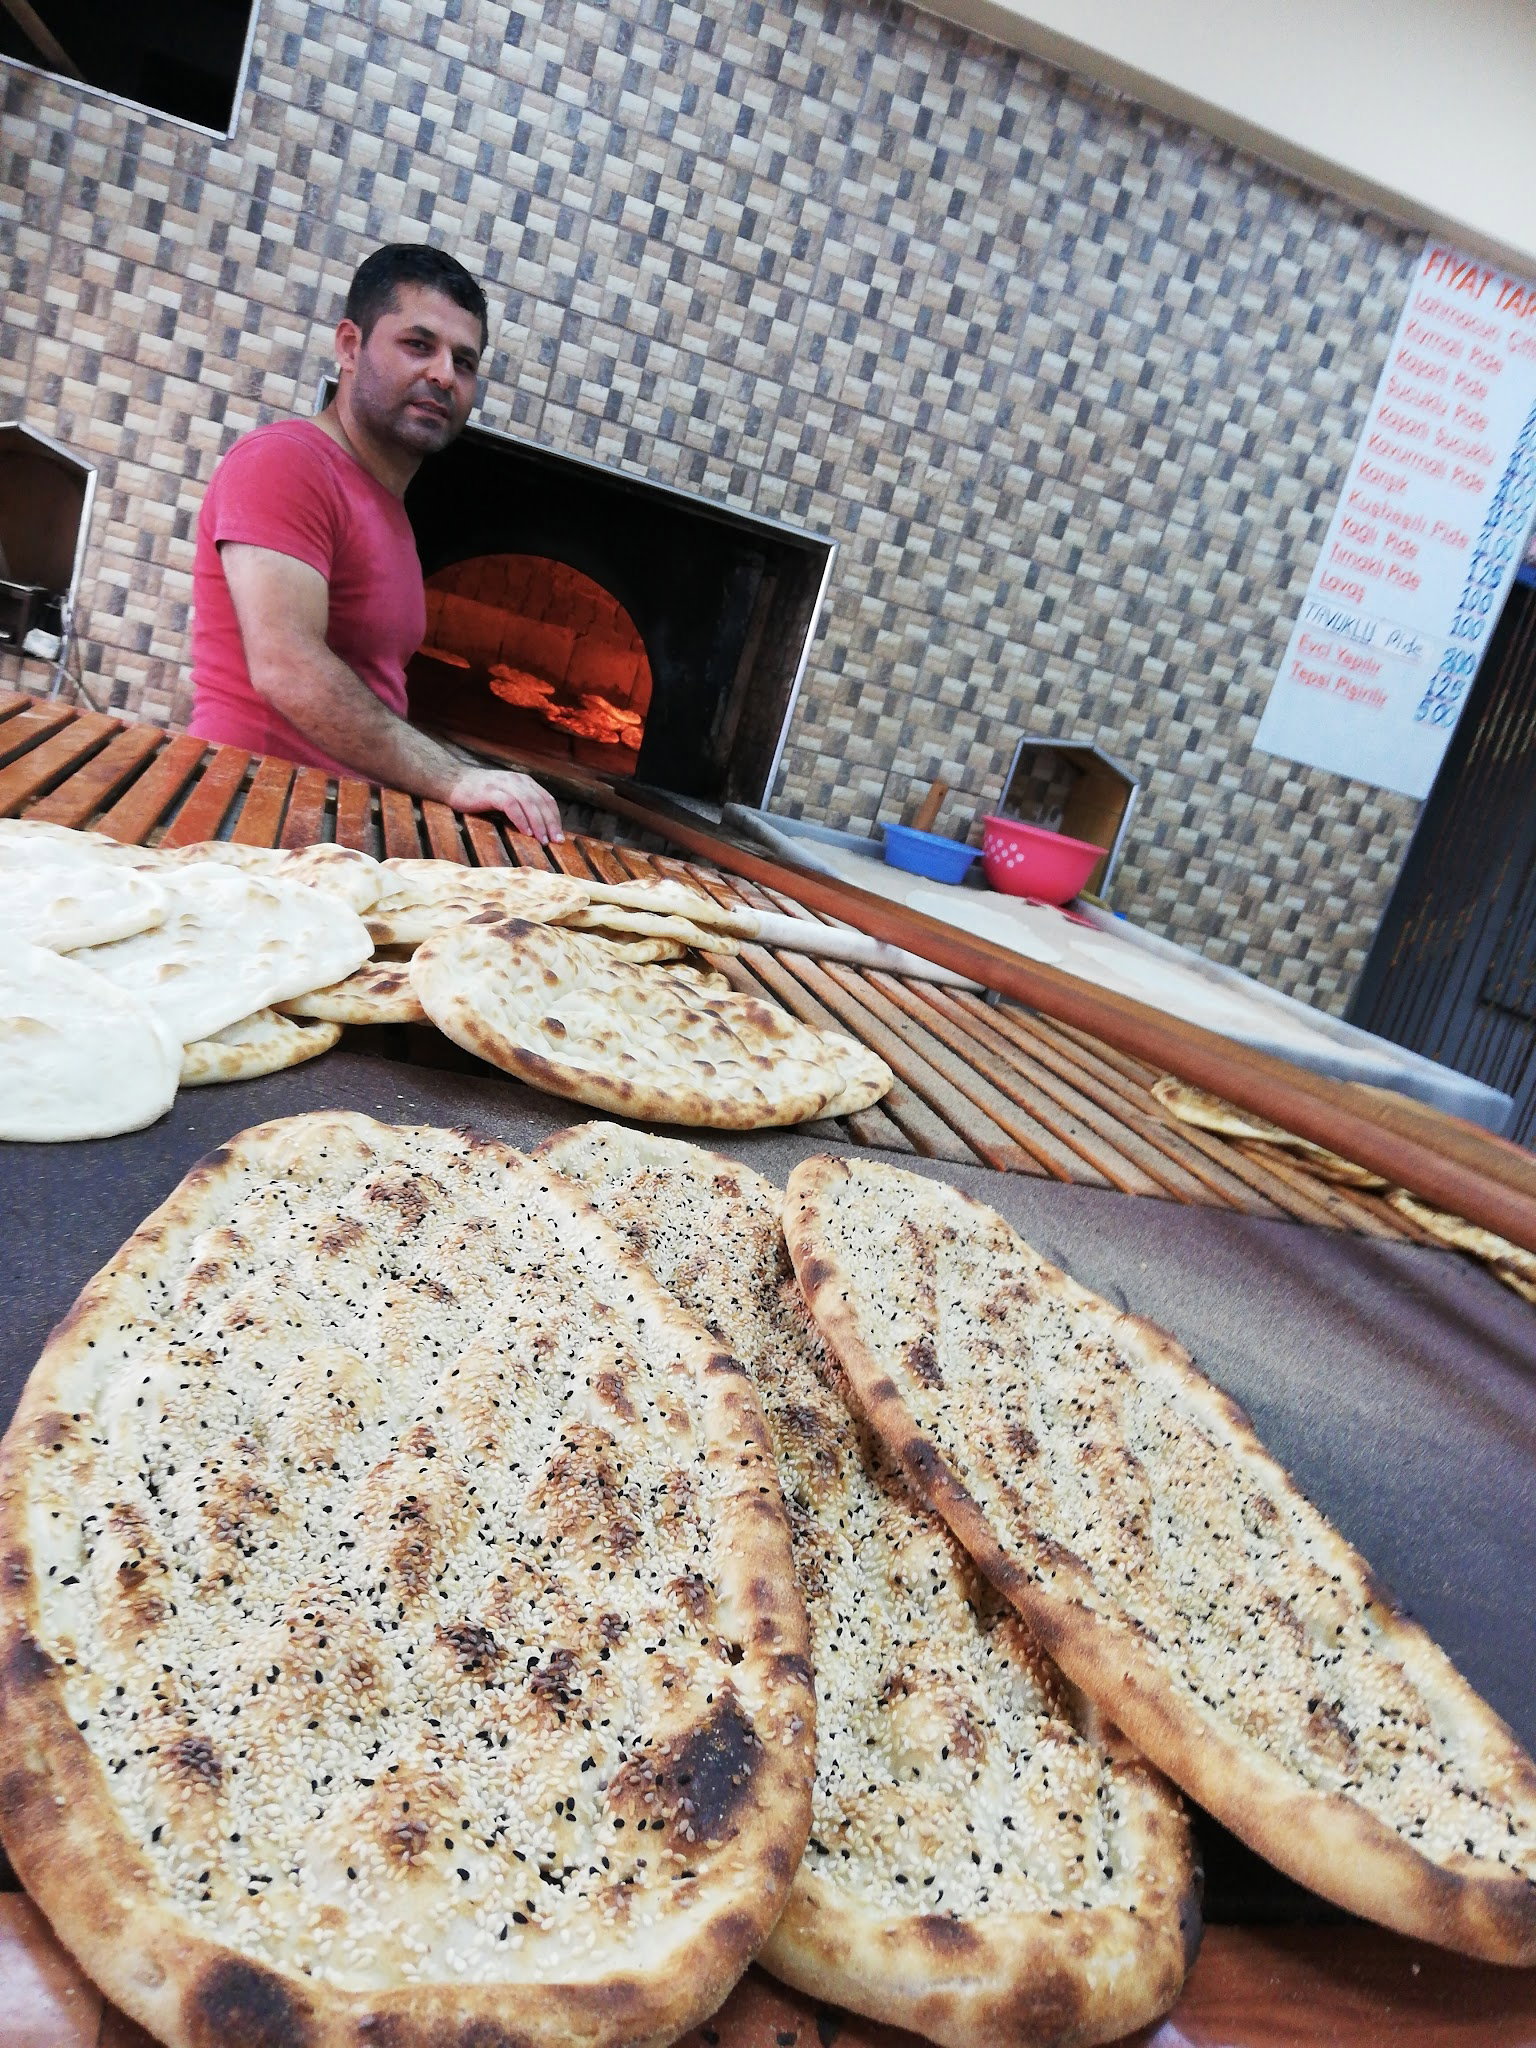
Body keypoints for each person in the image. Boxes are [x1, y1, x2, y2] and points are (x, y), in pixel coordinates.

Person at [188, 243, 562, 842]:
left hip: (328, 817)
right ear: (349, 346)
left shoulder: (387, 508)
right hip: (251, 812)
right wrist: (453, 778)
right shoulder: (286, 462)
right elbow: (285, 665)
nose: (444, 375)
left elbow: (375, 688)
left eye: (464, 361)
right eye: (418, 344)